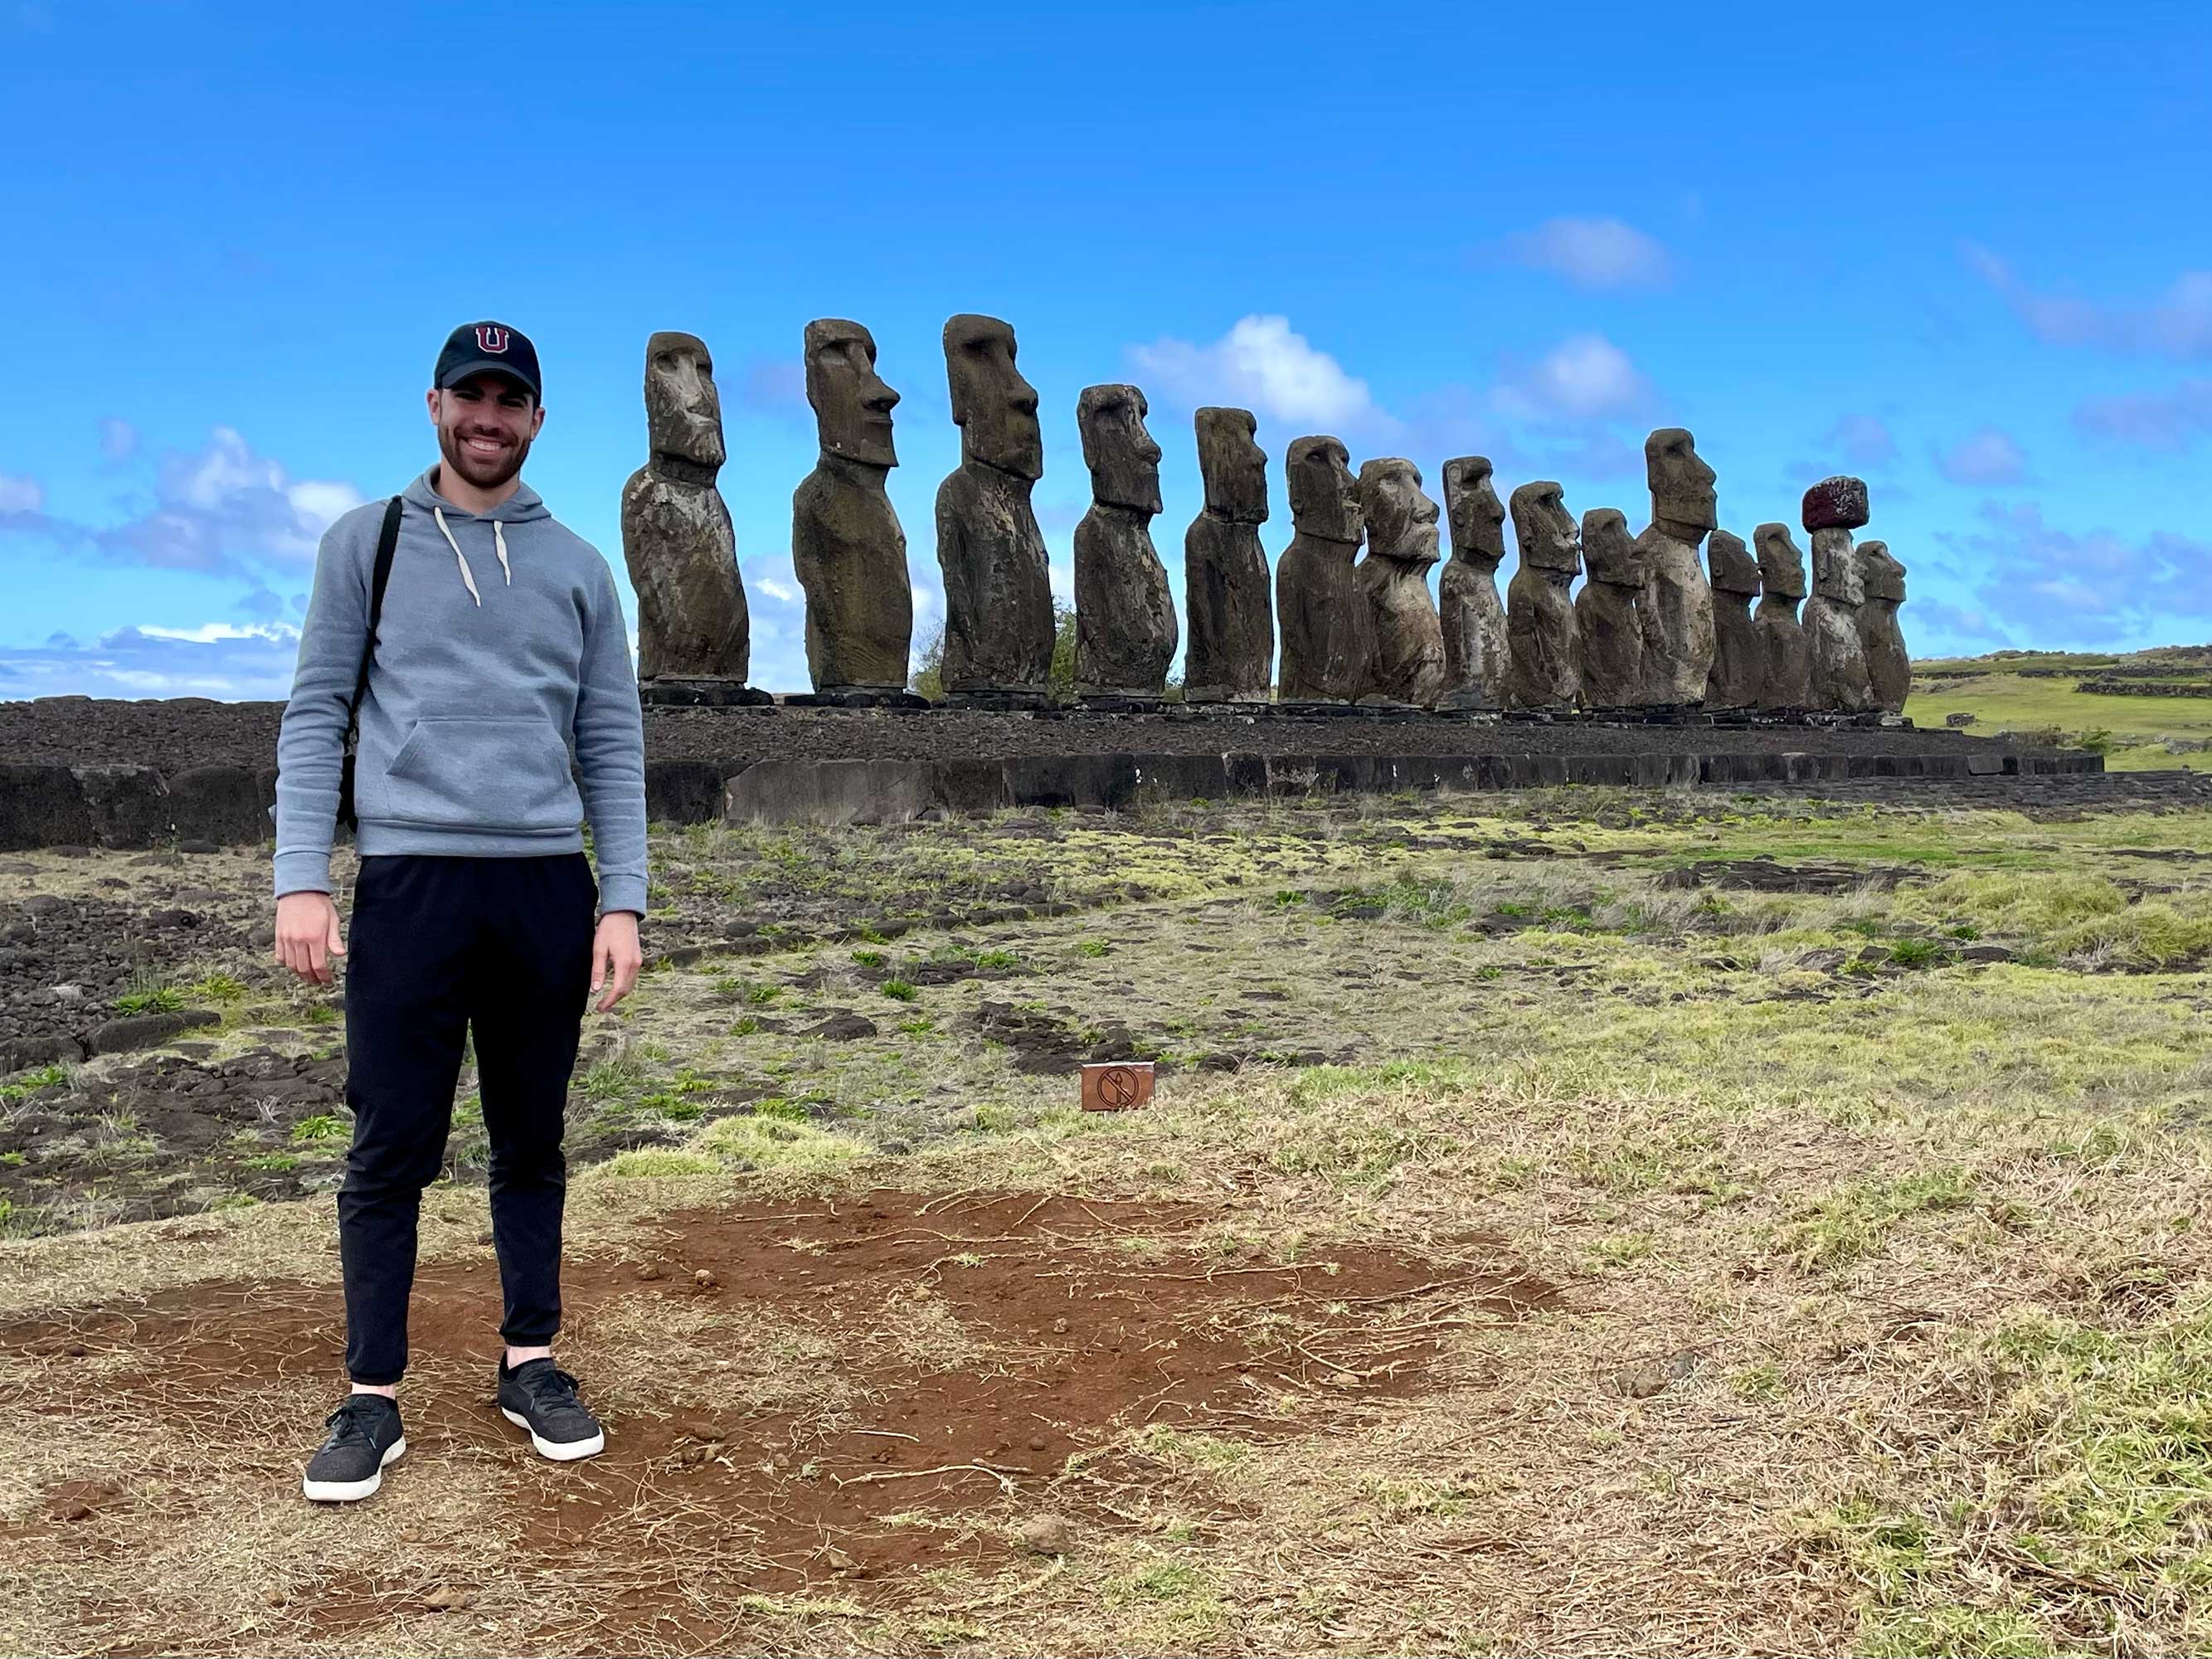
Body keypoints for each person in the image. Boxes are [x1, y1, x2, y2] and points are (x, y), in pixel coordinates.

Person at [272, 320, 647, 1502]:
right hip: (411, 882)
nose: (489, 417)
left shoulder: (582, 567)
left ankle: (528, 1359)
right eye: (471, 397)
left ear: (537, 420)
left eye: (511, 400)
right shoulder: (367, 543)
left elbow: (612, 744)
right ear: (434, 405)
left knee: (530, 1138)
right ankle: (371, 1396)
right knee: (393, 1145)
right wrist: (301, 877)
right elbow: (316, 713)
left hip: (543, 883)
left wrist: (621, 900)